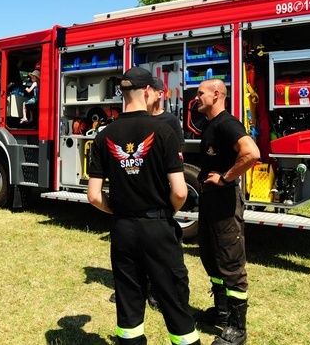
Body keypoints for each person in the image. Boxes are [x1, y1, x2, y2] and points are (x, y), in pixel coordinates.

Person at [87, 67, 200, 345]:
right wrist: (166, 213)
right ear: (148, 92)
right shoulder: (163, 130)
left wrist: (118, 210)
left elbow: (93, 195)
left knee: (129, 307)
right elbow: (180, 191)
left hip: (123, 229)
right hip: (157, 226)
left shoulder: (104, 136)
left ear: (123, 94)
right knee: (174, 302)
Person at [194, 78, 259, 345]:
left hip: (224, 203)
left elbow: (251, 153)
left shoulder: (227, 124)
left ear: (216, 94)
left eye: (200, 94)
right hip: (209, 203)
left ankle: (237, 328)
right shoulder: (210, 124)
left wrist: (225, 177)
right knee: (211, 256)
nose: (196, 98)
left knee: (231, 263)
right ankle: (221, 312)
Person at [150, 77, 186, 156]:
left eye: (150, 90)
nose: (146, 93)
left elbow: (179, 150)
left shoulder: (171, 120)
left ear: (160, 94)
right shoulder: (139, 119)